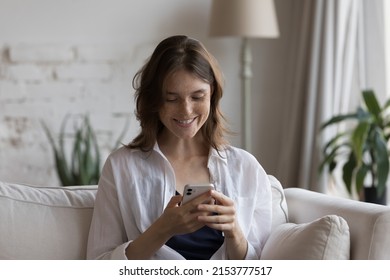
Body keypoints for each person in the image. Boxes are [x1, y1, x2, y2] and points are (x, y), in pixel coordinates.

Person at [86, 35, 272, 260]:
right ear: (154, 100)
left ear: (212, 94)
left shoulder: (245, 169)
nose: (186, 111)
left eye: (197, 96)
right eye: (172, 99)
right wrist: (163, 229)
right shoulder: (121, 167)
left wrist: (235, 232)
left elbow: (259, 266)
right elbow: (98, 264)